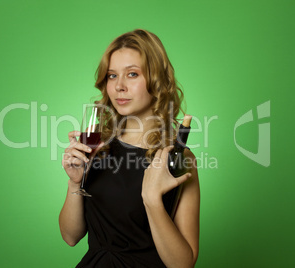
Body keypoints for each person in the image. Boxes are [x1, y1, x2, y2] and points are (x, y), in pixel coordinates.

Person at [59, 29, 200, 268]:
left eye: (132, 74)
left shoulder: (178, 158)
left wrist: (152, 200)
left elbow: (183, 264)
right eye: (112, 76)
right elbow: (70, 237)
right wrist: (75, 183)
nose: (119, 86)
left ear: (157, 80)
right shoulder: (97, 147)